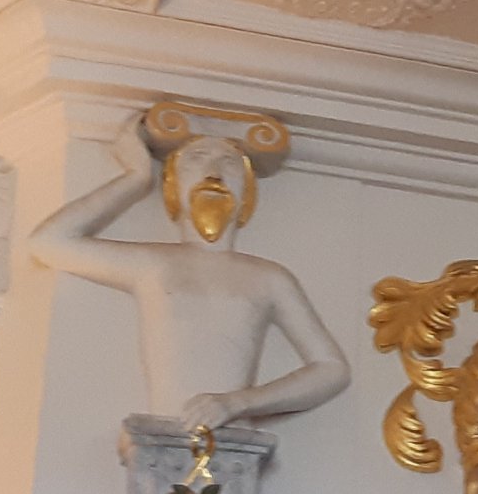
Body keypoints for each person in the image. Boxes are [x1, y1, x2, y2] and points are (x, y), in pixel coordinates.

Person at [29, 105, 349, 429]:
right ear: (173, 186)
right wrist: (136, 178)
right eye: (197, 158)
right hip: (162, 437)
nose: (214, 173)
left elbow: (331, 369)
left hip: (235, 440)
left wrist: (237, 402)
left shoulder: (269, 278)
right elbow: (49, 243)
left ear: (247, 193)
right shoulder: (153, 264)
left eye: (229, 163)